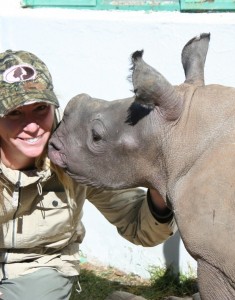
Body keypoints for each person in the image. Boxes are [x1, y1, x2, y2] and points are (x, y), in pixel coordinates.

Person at [0, 49, 176, 300]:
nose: (31, 126)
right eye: (15, 112)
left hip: (39, 267)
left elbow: (139, 226)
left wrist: (157, 186)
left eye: (40, 108)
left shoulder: (75, 150)